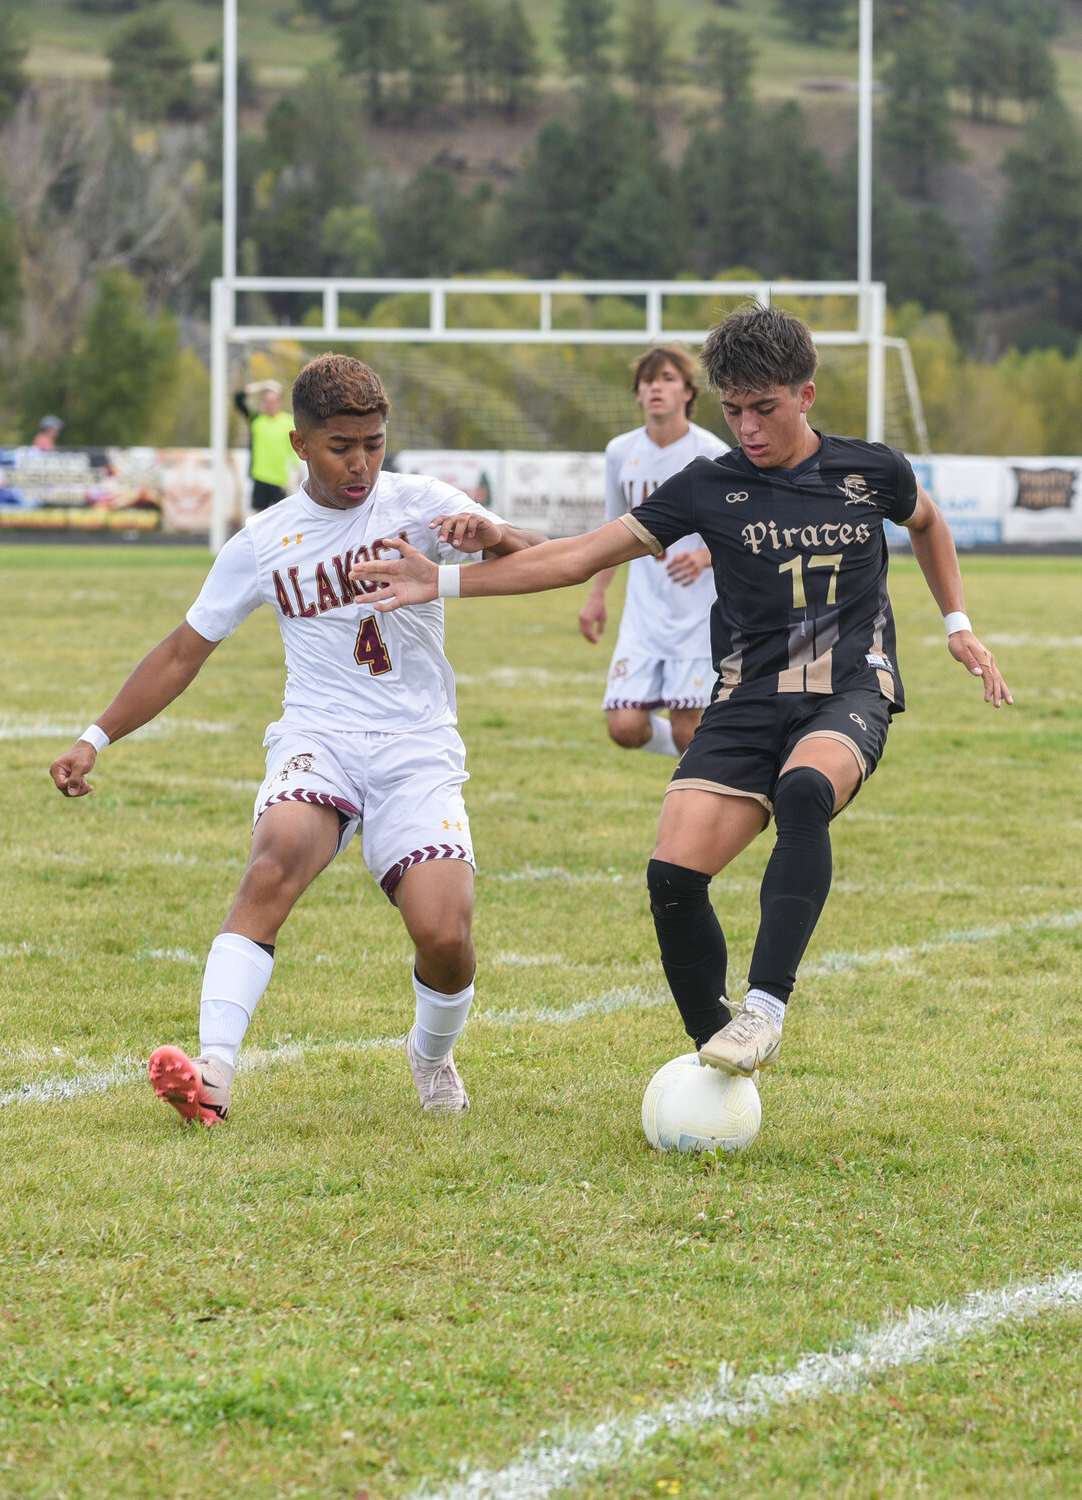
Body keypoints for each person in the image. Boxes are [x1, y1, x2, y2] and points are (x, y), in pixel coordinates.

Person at [350, 304, 1012, 1083]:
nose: (748, 429)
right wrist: (444, 581)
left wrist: (956, 622)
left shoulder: (871, 471)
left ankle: (765, 1007)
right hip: (745, 696)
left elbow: (927, 522)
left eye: (763, 408)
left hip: (846, 685)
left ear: (805, 393)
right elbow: (575, 557)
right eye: (732, 411)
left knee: (803, 790)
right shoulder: (704, 485)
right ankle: (719, 1048)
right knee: (671, 876)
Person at [50, 353, 546, 1127]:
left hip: (416, 743)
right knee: (273, 858)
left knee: (443, 934)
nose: (360, 463)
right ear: (300, 444)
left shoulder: (422, 505)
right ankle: (212, 1071)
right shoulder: (264, 540)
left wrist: (496, 532)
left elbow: (550, 562)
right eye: (342, 446)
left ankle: (430, 1053)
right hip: (320, 734)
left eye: (374, 444)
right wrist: (95, 736)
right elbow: (184, 650)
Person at [578, 345, 728, 757]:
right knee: (624, 727)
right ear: (638, 393)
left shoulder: (714, 453)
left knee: (688, 731)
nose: (656, 387)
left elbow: (739, 531)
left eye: (667, 378)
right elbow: (612, 531)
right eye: (648, 380)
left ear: (688, 392)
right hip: (643, 614)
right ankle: (701, 757)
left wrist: (703, 557)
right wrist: (596, 596)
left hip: (696, 615)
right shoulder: (620, 451)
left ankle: (707, 779)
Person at [235, 379, 296, 511]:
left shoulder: (289, 421)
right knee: (259, 518)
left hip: (281, 480)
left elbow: (296, 449)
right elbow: (238, 398)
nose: (270, 405)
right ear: (262, 403)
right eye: (267, 401)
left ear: (280, 402)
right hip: (260, 477)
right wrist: (261, 385)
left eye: (273, 401)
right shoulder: (256, 420)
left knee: (282, 520)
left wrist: (296, 472)